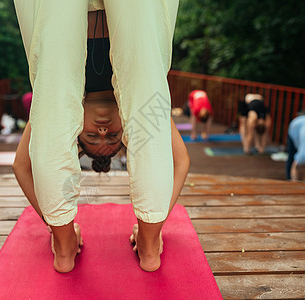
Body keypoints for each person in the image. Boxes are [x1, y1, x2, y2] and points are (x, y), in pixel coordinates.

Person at [13, 2, 180, 273]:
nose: (103, 130)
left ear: (76, 132)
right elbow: (180, 161)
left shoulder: (56, 107)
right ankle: (149, 246)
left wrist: (55, 225)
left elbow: (21, 166)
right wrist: (154, 225)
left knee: (51, 116)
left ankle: (65, 246)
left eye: (92, 135)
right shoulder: (142, 114)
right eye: (112, 135)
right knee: (148, 89)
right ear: (126, 130)